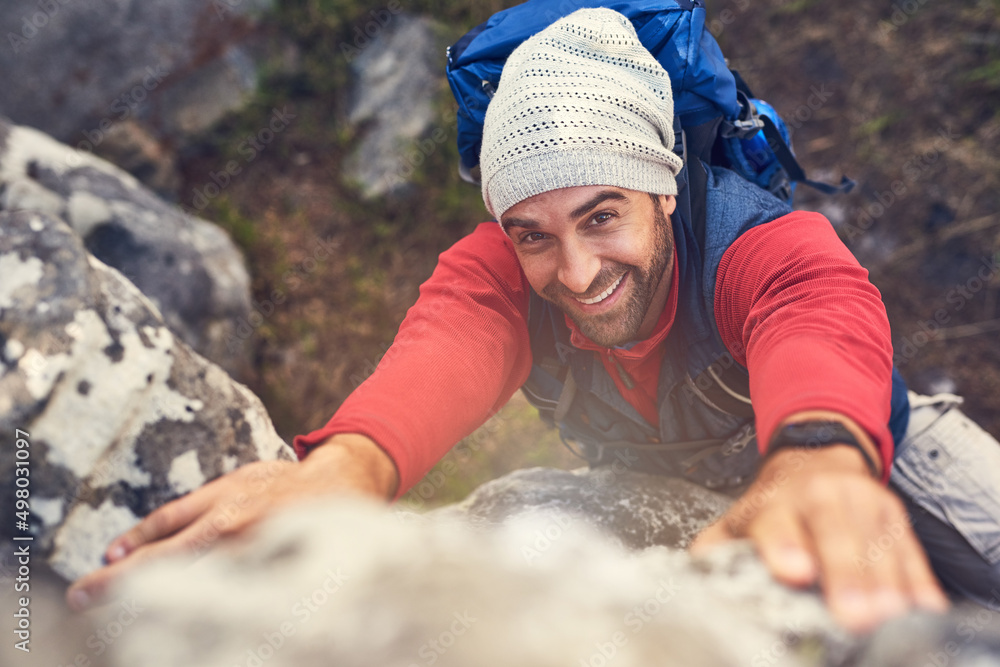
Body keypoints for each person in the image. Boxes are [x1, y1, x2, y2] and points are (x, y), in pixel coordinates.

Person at [69, 8, 1000, 634]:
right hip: (664, 486)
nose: (577, 272)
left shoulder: (757, 243)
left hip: (882, 449)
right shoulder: (497, 274)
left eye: (603, 215)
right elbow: (444, 348)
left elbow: (817, 311)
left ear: (666, 187)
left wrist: (819, 458)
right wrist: (343, 470)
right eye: (534, 235)